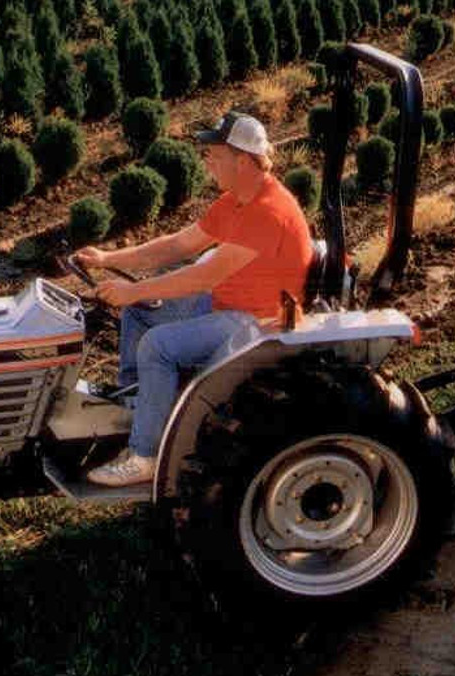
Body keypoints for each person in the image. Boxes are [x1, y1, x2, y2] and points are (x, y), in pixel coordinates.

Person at [75, 111, 315, 487]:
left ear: (242, 160)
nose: (207, 162)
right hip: (228, 302)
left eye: (214, 155)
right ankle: (141, 411)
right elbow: (178, 245)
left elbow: (205, 275)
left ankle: (144, 457)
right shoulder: (236, 200)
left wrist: (132, 290)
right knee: (141, 313)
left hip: (259, 320)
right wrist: (108, 259)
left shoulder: (269, 211)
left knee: (157, 346)